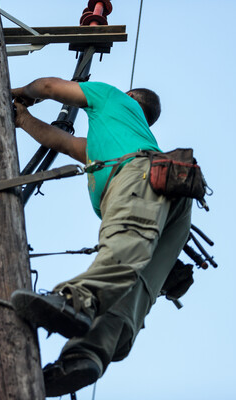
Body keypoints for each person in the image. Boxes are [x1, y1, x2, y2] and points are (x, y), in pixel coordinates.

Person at [10, 78, 193, 397]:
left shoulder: (112, 98)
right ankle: (86, 354)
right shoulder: (116, 138)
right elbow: (66, 143)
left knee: (124, 244)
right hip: (173, 198)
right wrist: (23, 120)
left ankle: (75, 301)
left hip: (141, 177)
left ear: (131, 97)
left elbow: (51, 87)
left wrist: (20, 94)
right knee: (135, 284)